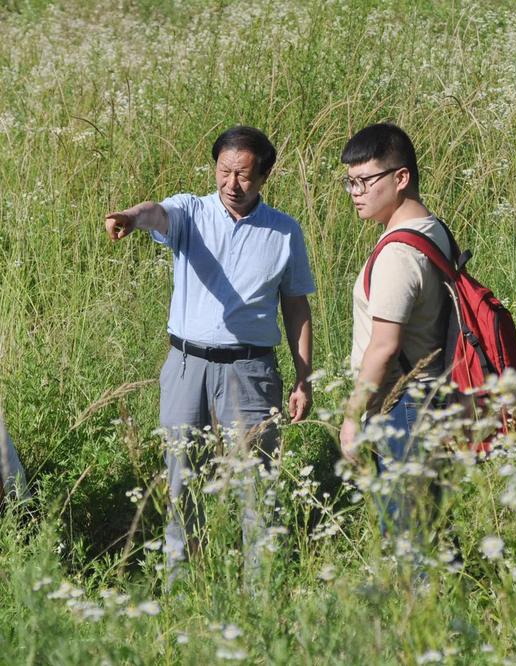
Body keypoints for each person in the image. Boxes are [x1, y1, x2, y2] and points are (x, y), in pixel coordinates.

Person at [105, 125, 315, 583]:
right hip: (187, 366)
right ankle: (184, 587)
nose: (231, 184)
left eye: (243, 174)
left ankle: (262, 590)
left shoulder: (283, 232)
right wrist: (128, 215)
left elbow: (296, 304)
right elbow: (155, 213)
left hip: (251, 368)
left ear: (264, 176)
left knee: (255, 484)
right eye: (223, 171)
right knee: (182, 479)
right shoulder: (191, 212)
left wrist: (303, 377)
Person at [338, 122, 452, 538]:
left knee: (408, 539)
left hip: (403, 406)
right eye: (350, 183)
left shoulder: (398, 253)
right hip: (436, 396)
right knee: (431, 528)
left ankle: (420, 603)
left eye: (365, 181)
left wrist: (351, 418)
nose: (356, 193)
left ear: (401, 177)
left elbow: (384, 347)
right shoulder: (434, 230)